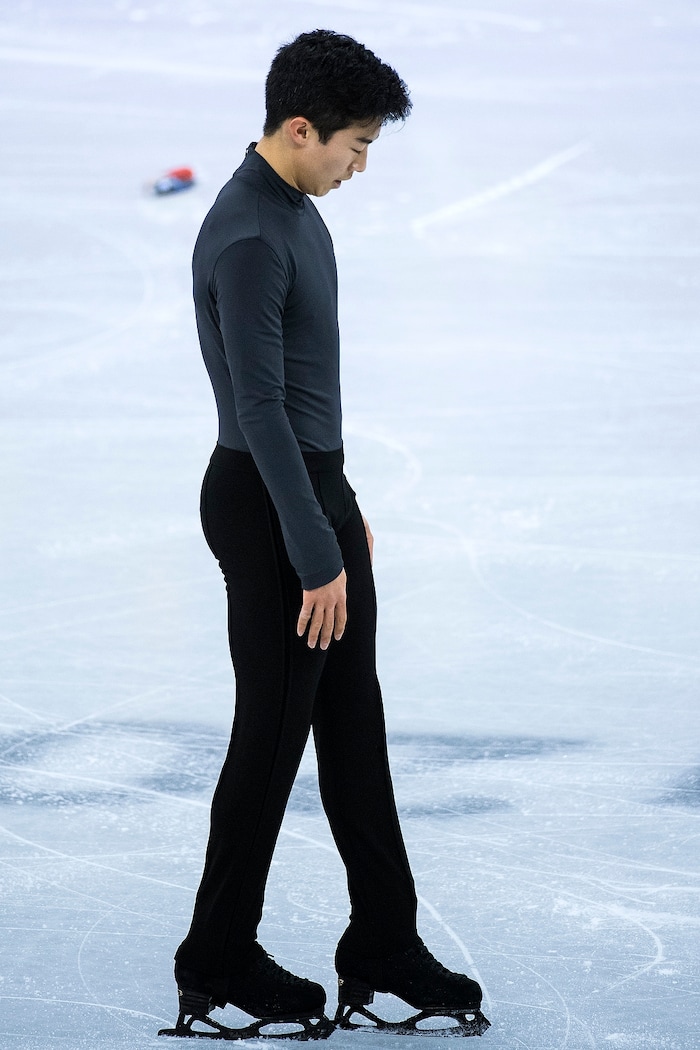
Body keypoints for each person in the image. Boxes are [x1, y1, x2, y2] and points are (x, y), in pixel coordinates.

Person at [162, 29, 488, 1041]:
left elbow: (300, 407)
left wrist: (341, 511)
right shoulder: (251, 233)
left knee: (354, 725)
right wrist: (314, 550)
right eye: (353, 143)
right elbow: (258, 410)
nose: (360, 164)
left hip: (310, 494)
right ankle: (215, 953)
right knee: (271, 737)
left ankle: (383, 940)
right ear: (299, 129)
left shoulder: (294, 208)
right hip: (267, 509)